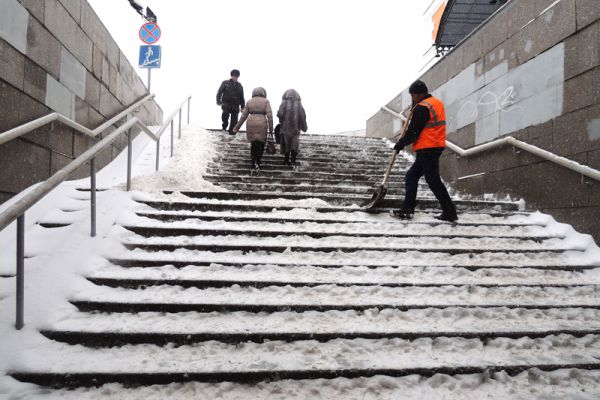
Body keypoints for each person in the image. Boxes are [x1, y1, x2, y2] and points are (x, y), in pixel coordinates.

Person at [392, 80, 458, 222]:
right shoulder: (436, 103)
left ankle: (450, 212)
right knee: (412, 176)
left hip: (428, 147)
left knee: (432, 180)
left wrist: (400, 144)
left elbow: (414, 131)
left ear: (419, 94)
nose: (412, 98)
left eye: (413, 95)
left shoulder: (422, 107)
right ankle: (408, 209)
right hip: (434, 145)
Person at [233, 87, 274, 170]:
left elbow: (243, 116)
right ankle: (258, 162)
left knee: (254, 143)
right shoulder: (266, 101)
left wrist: (237, 127)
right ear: (263, 93)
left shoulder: (249, 102)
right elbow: (270, 116)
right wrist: (271, 128)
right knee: (261, 143)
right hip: (262, 123)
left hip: (251, 122)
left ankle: (253, 161)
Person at [277, 89, 307, 166]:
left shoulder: (284, 103)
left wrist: (281, 118)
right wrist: (304, 126)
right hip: (296, 127)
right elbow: (302, 116)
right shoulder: (299, 104)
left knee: (287, 144)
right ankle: (293, 160)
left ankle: (286, 160)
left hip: (286, 127)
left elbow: (280, 113)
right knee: (294, 143)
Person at [216, 69, 245, 135]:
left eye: (236, 76)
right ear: (231, 76)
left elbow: (242, 97)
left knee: (234, 119)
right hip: (226, 103)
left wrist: (242, 106)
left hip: (235, 105)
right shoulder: (225, 83)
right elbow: (219, 92)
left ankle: (232, 132)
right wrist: (218, 101)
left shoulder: (240, 85)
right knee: (225, 116)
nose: (235, 77)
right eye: (234, 76)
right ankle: (224, 128)